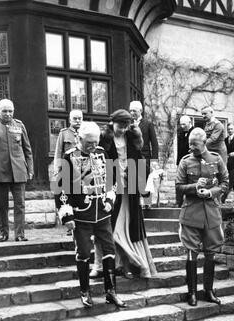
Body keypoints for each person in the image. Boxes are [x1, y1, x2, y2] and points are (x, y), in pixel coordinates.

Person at [55, 121, 126, 309]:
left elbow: (113, 180)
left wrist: (110, 200)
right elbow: (60, 188)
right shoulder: (69, 157)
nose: (93, 146)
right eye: (89, 143)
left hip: (102, 213)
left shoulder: (102, 153)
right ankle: (85, 292)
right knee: (84, 252)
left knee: (109, 250)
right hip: (81, 215)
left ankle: (111, 292)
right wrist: (66, 215)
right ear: (79, 139)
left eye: (95, 142)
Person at [90, 109, 157, 280]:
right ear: (112, 122)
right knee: (104, 228)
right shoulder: (103, 139)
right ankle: (98, 266)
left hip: (129, 191)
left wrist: (144, 176)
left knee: (126, 229)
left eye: (126, 126)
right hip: (109, 189)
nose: (123, 129)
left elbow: (141, 161)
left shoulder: (133, 137)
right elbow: (96, 164)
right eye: (120, 126)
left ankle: (126, 265)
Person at [176, 127, 229, 307]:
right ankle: (191, 293)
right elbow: (178, 186)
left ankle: (208, 291)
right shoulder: (185, 162)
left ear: (204, 143)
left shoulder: (216, 159)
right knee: (191, 253)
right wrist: (193, 187)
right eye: (190, 144)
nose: (191, 148)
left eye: (195, 145)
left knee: (210, 253)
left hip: (212, 214)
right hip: (191, 213)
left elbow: (225, 183)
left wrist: (210, 192)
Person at [0, 99, 34, 242]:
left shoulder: (19, 125)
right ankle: (4, 233)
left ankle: (20, 234)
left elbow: (27, 150)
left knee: (20, 204)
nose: (8, 114)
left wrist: (30, 169)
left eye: (10, 111)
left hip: (18, 171)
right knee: (1, 204)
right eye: (4, 111)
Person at [129, 101, 159, 207]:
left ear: (140, 111)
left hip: (144, 157)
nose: (132, 112)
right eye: (131, 110)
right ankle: (135, 205)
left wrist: (154, 161)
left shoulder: (147, 124)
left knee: (145, 181)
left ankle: (147, 203)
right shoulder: (128, 124)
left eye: (134, 110)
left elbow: (154, 144)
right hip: (131, 158)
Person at [53, 110, 83, 180]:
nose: (78, 121)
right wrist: (57, 169)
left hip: (82, 168)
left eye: (80, 118)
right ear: (70, 120)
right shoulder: (64, 133)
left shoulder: (85, 133)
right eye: (75, 118)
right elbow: (58, 152)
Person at [176, 115, 194, 207]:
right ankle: (178, 202)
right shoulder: (180, 132)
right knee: (179, 181)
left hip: (191, 161)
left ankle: (189, 202)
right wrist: (178, 162)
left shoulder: (194, 132)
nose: (182, 126)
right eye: (181, 124)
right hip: (181, 161)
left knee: (190, 182)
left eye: (184, 124)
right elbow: (179, 149)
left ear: (189, 123)